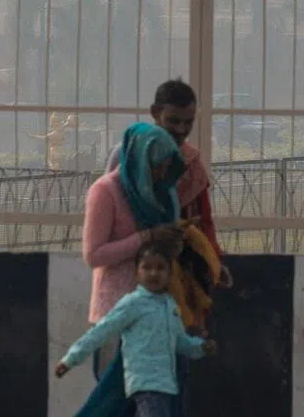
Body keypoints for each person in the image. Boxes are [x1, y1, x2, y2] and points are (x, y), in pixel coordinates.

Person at [82, 120, 221, 417]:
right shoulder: (105, 192)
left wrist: (180, 238)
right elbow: (94, 255)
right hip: (117, 311)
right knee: (115, 402)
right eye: (156, 165)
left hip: (161, 311)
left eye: (166, 167)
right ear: (139, 158)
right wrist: (147, 237)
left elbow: (166, 249)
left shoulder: (163, 192)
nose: (161, 174)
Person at [56, 240, 217, 417]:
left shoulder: (170, 305)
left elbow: (179, 341)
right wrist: (71, 358)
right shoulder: (133, 303)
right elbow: (101, 331)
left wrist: (200, 347)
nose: (153, 273)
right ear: (137, 273)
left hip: (167, 386)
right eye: (147, 267)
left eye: (160, 268)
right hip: (146, 384)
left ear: (170, 273)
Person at [106, 79, 231, 287]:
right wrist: (151, 236)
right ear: (155, 113)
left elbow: (204, 220)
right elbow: (112, 219)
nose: (181, 130)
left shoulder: (191, 161)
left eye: (188, 122)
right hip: (134, 268)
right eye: (173, 121)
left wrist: (213, 260)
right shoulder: (126, 156)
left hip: (181, 268)